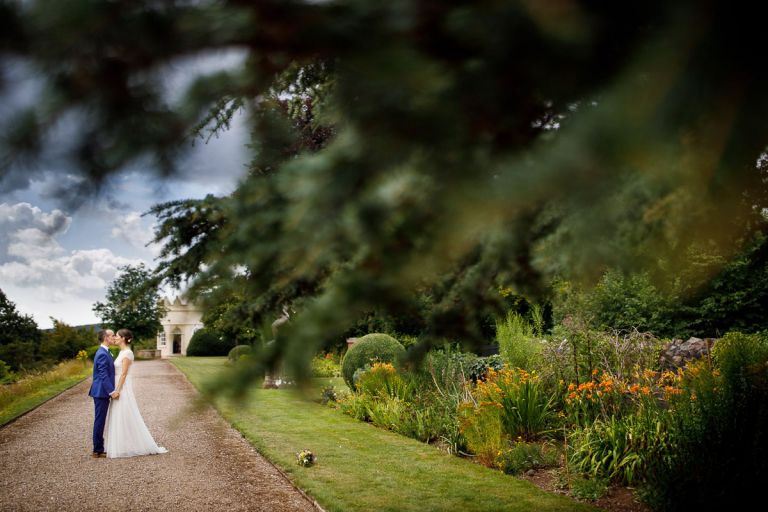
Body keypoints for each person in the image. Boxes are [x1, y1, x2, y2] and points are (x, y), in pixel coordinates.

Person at [104, 328, 168, 458]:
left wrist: (117, 390)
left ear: (123, 338)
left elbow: (124, 373)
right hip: (118, 384)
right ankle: (122, 445)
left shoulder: (127, 353)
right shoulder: (121, 352)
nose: (115, 338)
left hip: (122, 386)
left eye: (116, 336)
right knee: (118, 414)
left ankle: (136, 444)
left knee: (126, 413)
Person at [88, 329, 117, 458]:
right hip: (101, 392)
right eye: (112, 335)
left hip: (102, 391)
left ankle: (98, 448)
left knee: (100, 420)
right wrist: (112, 391)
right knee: (99, 420)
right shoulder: (102, 354)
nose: (114, 337)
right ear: (106, 337)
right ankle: (97, 450)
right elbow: (103, 375)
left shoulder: (105, 352)